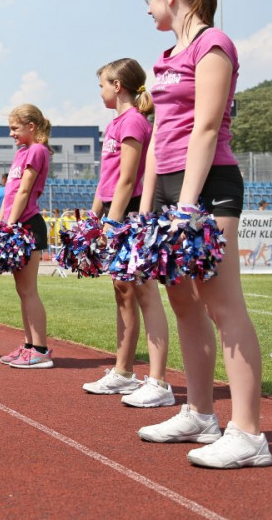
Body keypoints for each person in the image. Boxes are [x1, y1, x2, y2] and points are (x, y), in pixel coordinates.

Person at [136, 0, 272, 468]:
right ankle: (199, 413)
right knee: (184, 302)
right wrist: (150, 209)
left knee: (221, 304)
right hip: (170, 185)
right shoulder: (166, 56)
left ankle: (250, 433)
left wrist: (187, 207)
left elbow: (206, 127)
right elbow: (159, 134)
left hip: (209, 183)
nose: (147, 6)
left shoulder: (213, 45)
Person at [81, 58, 173, 408]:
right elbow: (106, 178)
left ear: (117, 85)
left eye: (103, 84)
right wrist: (93, 218)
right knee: (123, 291)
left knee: (146, 294)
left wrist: (111, 223)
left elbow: (128, 178)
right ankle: (123, 372)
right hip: (116, 213)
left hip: (132, 214)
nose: (100, 90)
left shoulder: (133, 120)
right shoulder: (116, 122)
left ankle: (159, 381)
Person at [0, 104, 54, 369]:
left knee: (29, 290)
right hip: (14, 224)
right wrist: (1, 222)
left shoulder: (37, 151)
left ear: (31, 127)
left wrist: (9, 224)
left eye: (15, 128)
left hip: (27, 224)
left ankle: (40, 349)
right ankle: (28, 345)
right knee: (22, 291)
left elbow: (24, 192)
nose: (11, 133)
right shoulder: (22, 153)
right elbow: (10, 191)